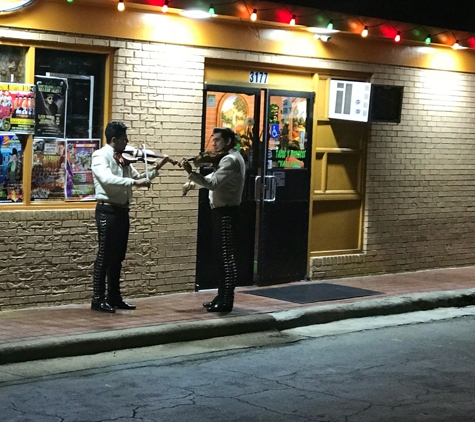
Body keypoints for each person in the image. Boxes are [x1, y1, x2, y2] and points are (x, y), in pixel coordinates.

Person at [90, 121, 171, 313]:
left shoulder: (124, 158)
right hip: (107, 210)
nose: (127, 142)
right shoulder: (100, 155)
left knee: (118, 257)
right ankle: (97, 299)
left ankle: (114, 297)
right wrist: (135, 181)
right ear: (114, 139)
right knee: (104, 256)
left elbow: (142, 177)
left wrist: (159, 166)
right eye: (124, 139)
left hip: (122, 211)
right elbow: (107, 179)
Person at [182, 127, 245, 313]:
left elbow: (213, 183)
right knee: (221, 257)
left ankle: (226, 300)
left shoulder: (230, 160)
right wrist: (192, 183)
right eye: (214, 140)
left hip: (226, 213)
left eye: (217, 140)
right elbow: (213, 177)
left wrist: (190, 172)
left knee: (226, 258)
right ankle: (221, 295)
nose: (214, 144)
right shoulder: (227, 158)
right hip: (222, 211)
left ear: (228, 141)